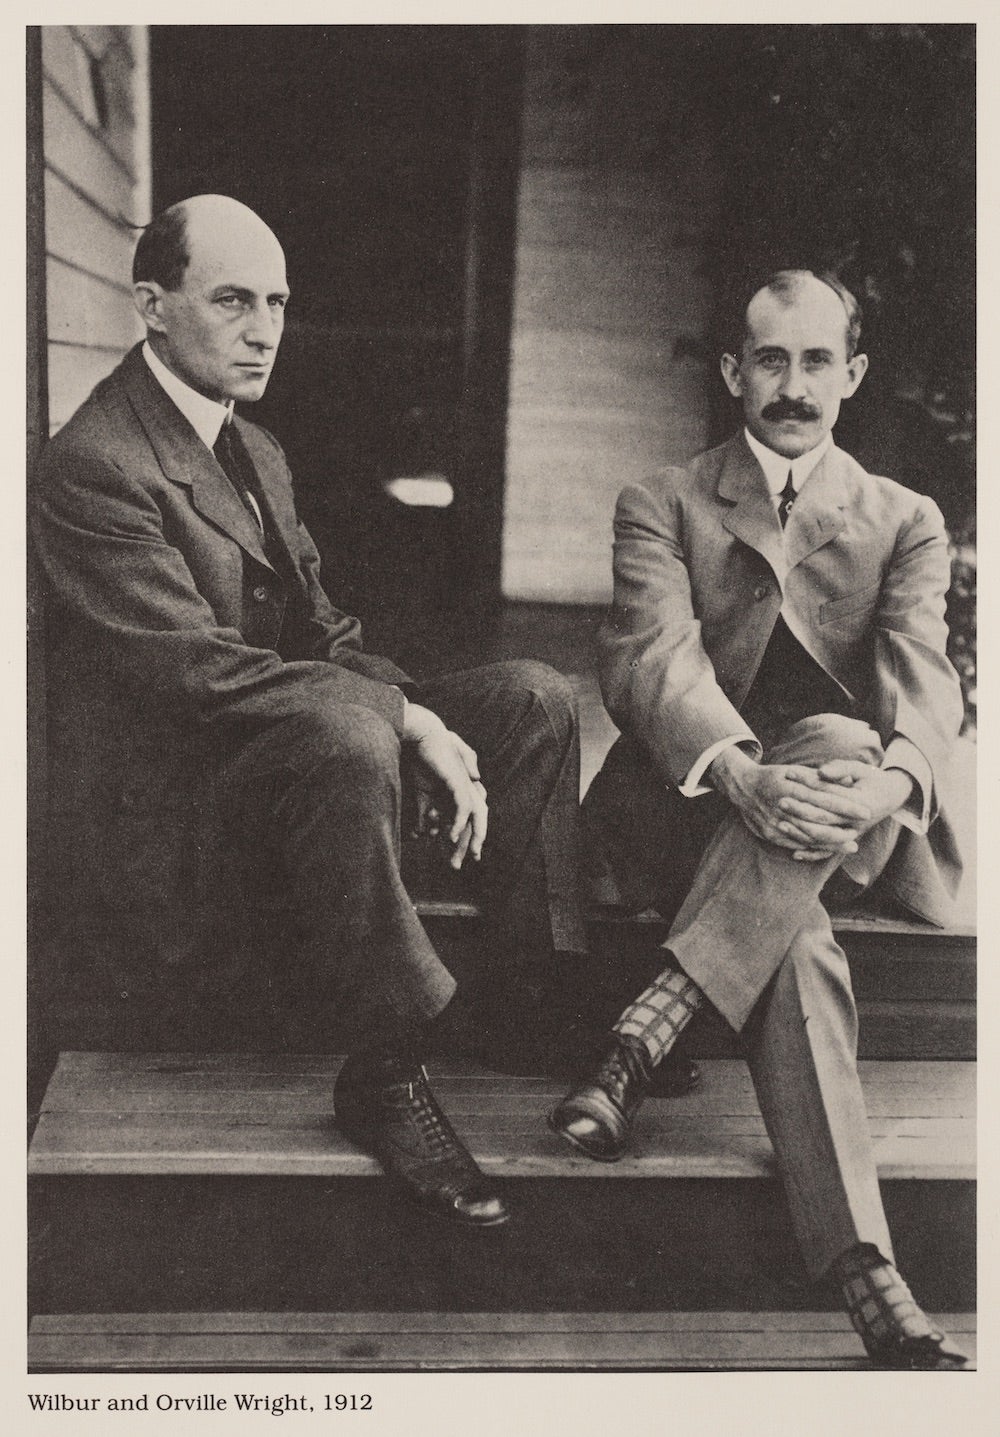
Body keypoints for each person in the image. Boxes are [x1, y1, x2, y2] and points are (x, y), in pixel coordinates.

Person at [32, 193, 594, 1231]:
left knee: (534, 698)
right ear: (151, 306)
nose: (263, 330)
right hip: (179, 833)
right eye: (232, 300)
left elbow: (322, 638)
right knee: (346, 730)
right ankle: (382, 1069)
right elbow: (197, 675)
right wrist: (402, 720)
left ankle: (523, 997)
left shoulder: (255, 448)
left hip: (280, 765)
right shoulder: (94, 466)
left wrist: (422, 712)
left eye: (278, 302)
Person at [550, 269, 970, 1369]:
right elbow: (649, 660)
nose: (792, 387)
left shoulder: (904, 520)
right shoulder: (664, 499)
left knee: (840, 748)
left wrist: (889, 784)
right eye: (770, 361)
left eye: (816, 361)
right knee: (802, 931)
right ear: (733, 370)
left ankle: (647, 1029)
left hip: (836, 813)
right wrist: (739, 774)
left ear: (853, 374)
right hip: (691, 810)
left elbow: (924, 678)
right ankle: (865, 1267)